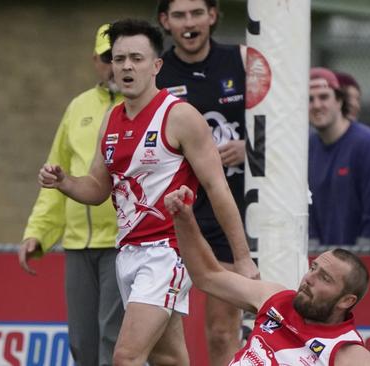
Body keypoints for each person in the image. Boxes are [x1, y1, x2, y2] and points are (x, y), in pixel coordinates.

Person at [38, 18, 258, 366]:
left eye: (137, 58)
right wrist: (64, 181)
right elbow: (97, 189)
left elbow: (218, 188)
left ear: (157, 65)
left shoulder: (180, 116)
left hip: (168, 251)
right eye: (119, 58)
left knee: (125, 356)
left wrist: (243, 258)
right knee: (167, 357)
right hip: (128, 251)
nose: (126, 66)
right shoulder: (110, 120)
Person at [164, 185, 370, 365]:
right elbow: (207, 276)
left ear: (346, 300)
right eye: (313, 269)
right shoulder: (277, 298)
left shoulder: (347, 353)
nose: (309, 279)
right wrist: (184, 218)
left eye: (325, 278)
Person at [18, 24, 125, 365]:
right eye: (109, 57)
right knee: (81, 344)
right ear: (95, 60)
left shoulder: (141, 106)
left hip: (122, 243)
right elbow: (54, 174)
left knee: (114, 339)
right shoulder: (78, 107)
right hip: (78, 244)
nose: (117, 65)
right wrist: (38, 233)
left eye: (124, 57)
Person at [155, 1, 251, 364]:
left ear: (212, 15)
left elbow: (285, 123)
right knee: (162, 330)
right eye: (179, 15)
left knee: (224, 330)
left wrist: (251, 148)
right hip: (175, 214)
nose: (189, 23)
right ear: (165, 21)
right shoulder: (157, 73)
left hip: (229, 212)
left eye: (197, 13)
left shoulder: (242, 60)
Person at [308, 67, 370, 246]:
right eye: (310, 99)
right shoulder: (307, 149)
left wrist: (358, 261)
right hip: (326, 265)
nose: (317, 105)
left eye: (324, 97)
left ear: (340, 101)